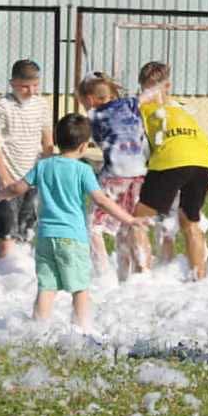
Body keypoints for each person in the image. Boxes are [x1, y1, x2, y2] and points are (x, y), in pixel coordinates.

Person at [0, 114, 143, 332]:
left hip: (46, 237)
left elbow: (17, 188)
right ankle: (82, 329)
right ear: (83, 146)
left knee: (46, 287)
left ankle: (38, 329)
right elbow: (101, 200)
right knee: (80, 288)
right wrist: (129, 219)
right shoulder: (83, 170)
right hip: (73, 238)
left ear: (56, 140)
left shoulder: (43, 166)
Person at [135, 61, 208, 280]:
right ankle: (200, 277)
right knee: (190, 222)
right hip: (204, 161)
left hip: (172, 160)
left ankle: (141, 277)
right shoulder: (182, 108)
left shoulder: (143, 108)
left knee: (138, 220)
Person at [78, 73, 151, 283]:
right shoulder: (129, 104)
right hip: (139, 174)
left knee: (92, 226)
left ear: (90, 99)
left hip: (115, 174)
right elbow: (149, 95)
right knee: (129, 223)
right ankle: (139, 272)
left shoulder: (94, 115)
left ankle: (103, 275)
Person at [0, 60, 55, 262]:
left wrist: (46, 171)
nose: (31, 91)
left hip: (32, 175)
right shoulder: (3, 105)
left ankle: (21, 271)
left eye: (35, 85)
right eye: (25, 86)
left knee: (27, 228)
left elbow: (47, 140)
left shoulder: (41, 105)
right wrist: (3, 175)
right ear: (13, 83)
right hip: (8, 173)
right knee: (6, 229)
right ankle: (4, 270)